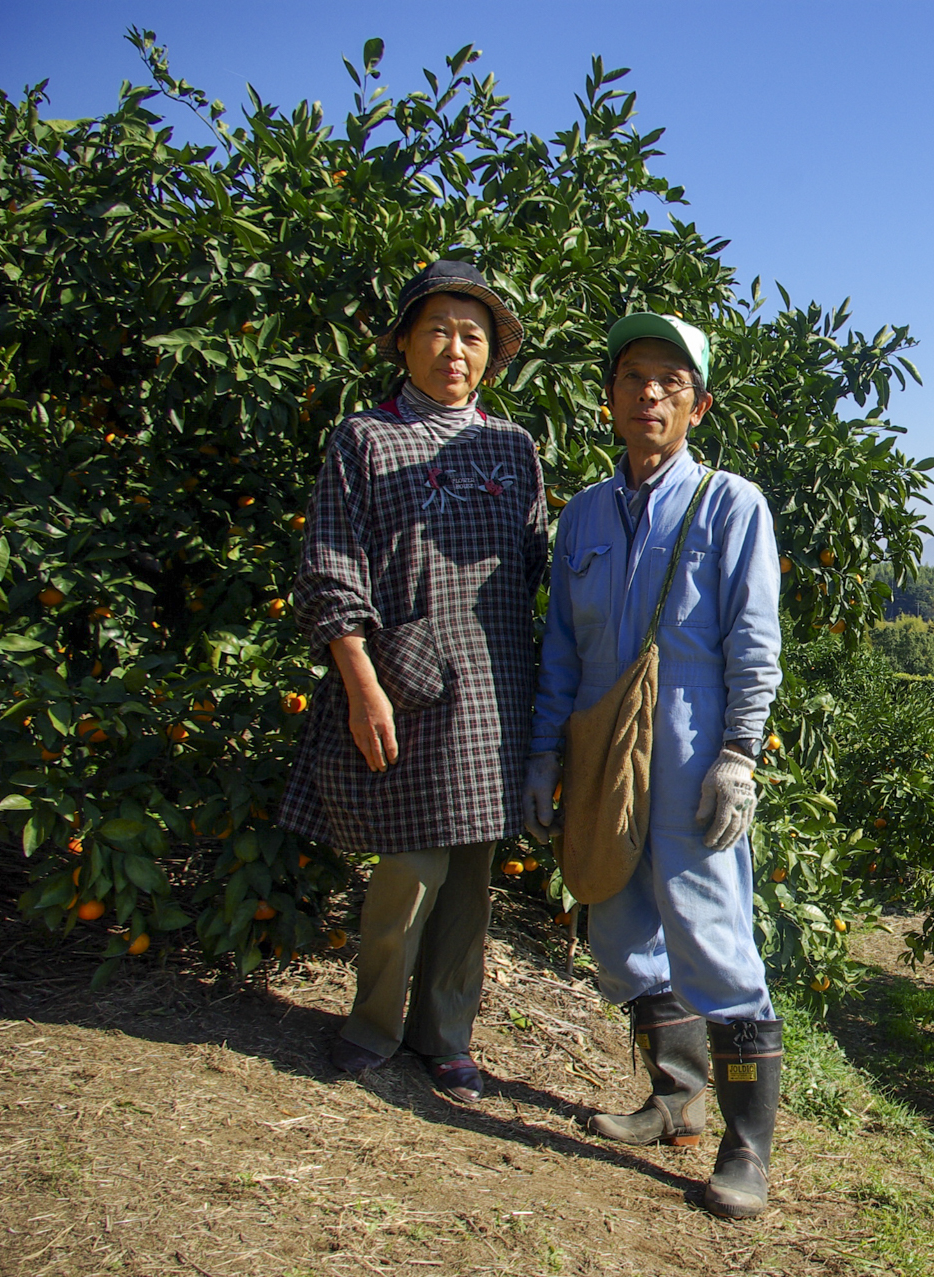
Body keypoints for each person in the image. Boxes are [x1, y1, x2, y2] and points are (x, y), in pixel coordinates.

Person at [525, 313, 783, 1219]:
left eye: (671, 381)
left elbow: (755, 643)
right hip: (603, 749)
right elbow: (562, 646)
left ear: (698, 405)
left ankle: (747, 1148)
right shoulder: (585, 515)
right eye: (635, 376)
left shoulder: (730, 504)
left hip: (688, 756)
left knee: (716, 940)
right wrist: (542, 756)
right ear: (610, 397)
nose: (650, 394)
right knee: (619, 929)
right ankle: (675, 1095)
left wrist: (738, 756)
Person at [278, 261, 548, 1104]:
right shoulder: (365, 438)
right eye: (438, 329)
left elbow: (539, 565)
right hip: (406, 685)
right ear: (404, 340)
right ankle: (372, 1024)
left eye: (472, 335)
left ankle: (446, 1034)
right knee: (409, 870)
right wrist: (360, 680)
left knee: (472, 875)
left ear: (492, 356)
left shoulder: (513, 447)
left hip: (495, 688)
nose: (454, 349)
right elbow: (330, 567)